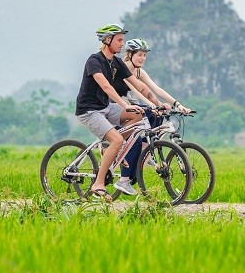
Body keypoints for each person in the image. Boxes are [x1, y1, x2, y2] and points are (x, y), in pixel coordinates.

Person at [75, 24, 164, 201]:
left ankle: (117, 147)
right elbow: (106, 87)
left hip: (106, 108)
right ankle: (98, 184)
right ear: (107, 40)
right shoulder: (94, 61)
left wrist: (159, 104)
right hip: (89, 110)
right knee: (116, 138)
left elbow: (140, 86)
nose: (122, 44)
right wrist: (125, 105)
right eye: (119, 40)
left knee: (139, 115)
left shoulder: (116, 63)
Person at [113, 38, 192, 187]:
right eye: (139, 55)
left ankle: (145, 148)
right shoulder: (124, 68)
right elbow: (138, 91)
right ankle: (142, 147)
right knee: (151, 112)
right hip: (116, 105)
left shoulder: (139, 71)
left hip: (131, 104)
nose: (143, 58)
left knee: (158, 114)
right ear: (130, 54)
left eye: (144, 55)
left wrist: (177, 104)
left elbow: (155, 90)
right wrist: (152, 105)